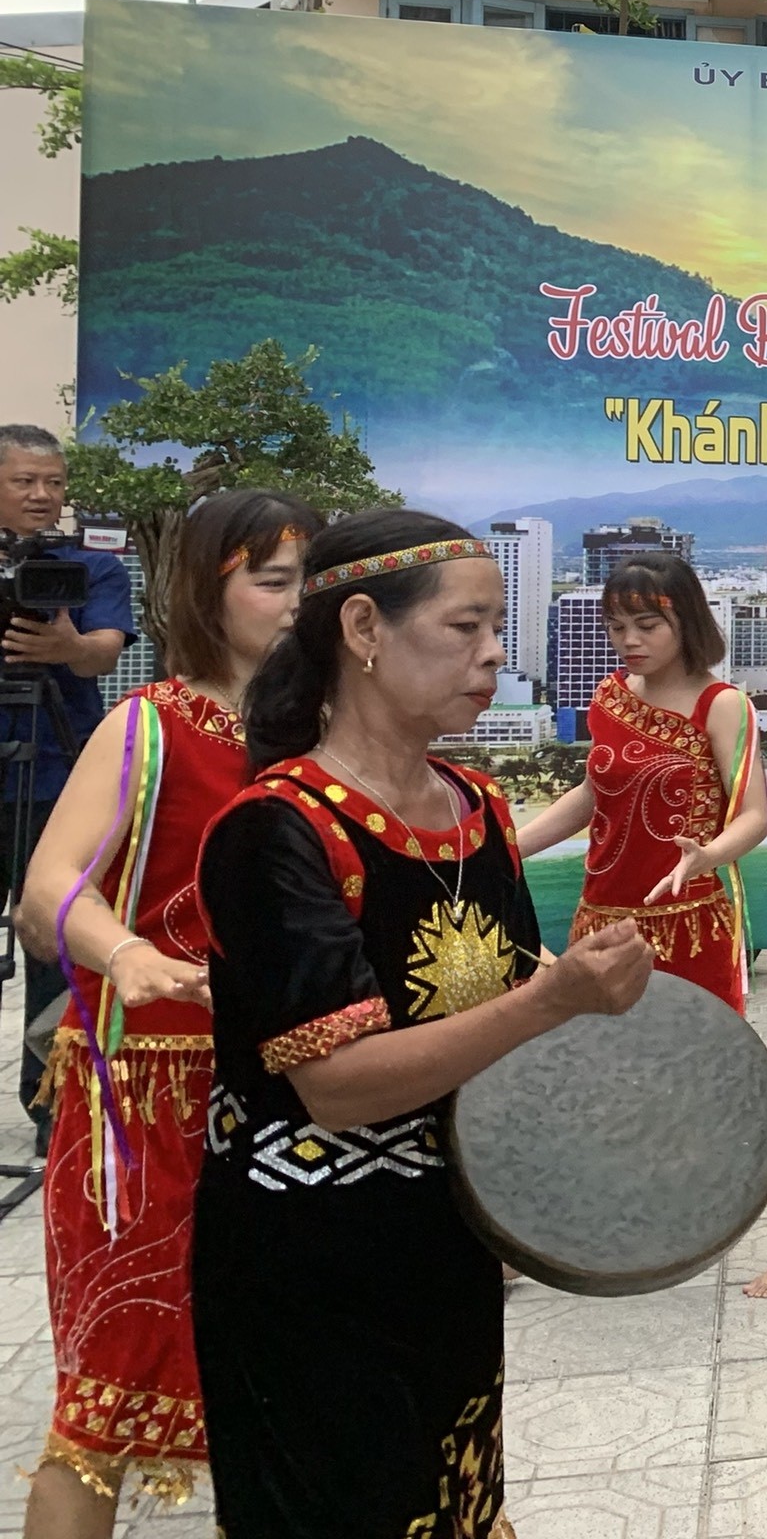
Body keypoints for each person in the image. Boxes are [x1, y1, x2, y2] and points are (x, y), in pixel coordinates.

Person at [190, 511, 653, 1539]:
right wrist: (553, 997)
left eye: (500, 627)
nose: (495, 653)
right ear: (362, 629)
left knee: (452, 1499)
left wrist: (594, 1010)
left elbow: (511, 1000)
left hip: (445, 1239)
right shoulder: (277, 830)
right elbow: (339, 1084)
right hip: (310, 1263)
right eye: (467, 627)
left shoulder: (476, 805)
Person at [14, 490, 315, 1533]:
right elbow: (49, 887)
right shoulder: (152, 725)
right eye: (272, 583)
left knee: (283, 1391)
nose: (296, 604)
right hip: (148, 1109)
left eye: (307, 583)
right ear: (204, 590)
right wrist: (128, 952)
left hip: (295, 1100)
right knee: (109, 1390)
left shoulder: (325, 736)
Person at [514, 551, 767, 1298]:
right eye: (617, 625)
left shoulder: (720, 705)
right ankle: (544, 1233)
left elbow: (755, 814)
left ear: (684, 621)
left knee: (715, 1079)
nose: (629, 640)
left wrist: (706, 856)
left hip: (689, 926)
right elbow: (592, 792)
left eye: (646, 624)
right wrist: (509, 845)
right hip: (603, 919)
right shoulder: (609, 697)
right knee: (586, 1072)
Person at [1, 425, 136, 1147]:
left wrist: (67, 647)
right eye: (26, 482)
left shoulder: (91, 570)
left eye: (53, 483)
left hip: (55, 774)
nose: (43, 496)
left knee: (55, 940)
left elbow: (100, 657)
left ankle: (52, 1100)